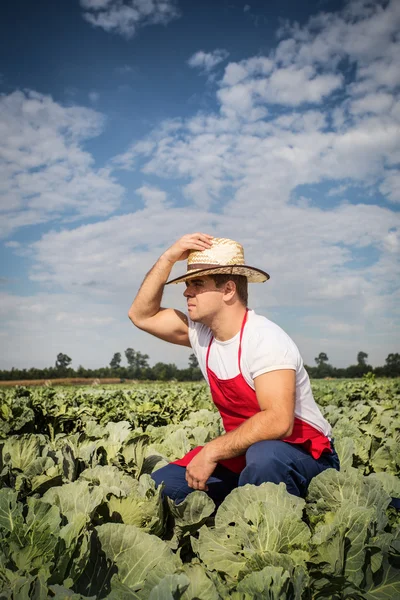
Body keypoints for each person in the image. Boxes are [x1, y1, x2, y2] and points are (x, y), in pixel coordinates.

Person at [128, 233, 339, 506]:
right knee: (162, 488)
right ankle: (237, 507)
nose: (186, 291)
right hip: (243, 454)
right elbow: (141, 315)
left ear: (228, 290)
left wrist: (212, 451)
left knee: (265, 458)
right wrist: (168, 257)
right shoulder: (201, 334)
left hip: (304, 456)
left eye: (197, 284)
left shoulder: (264, 338)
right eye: (187, 283)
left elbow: (278, 421)